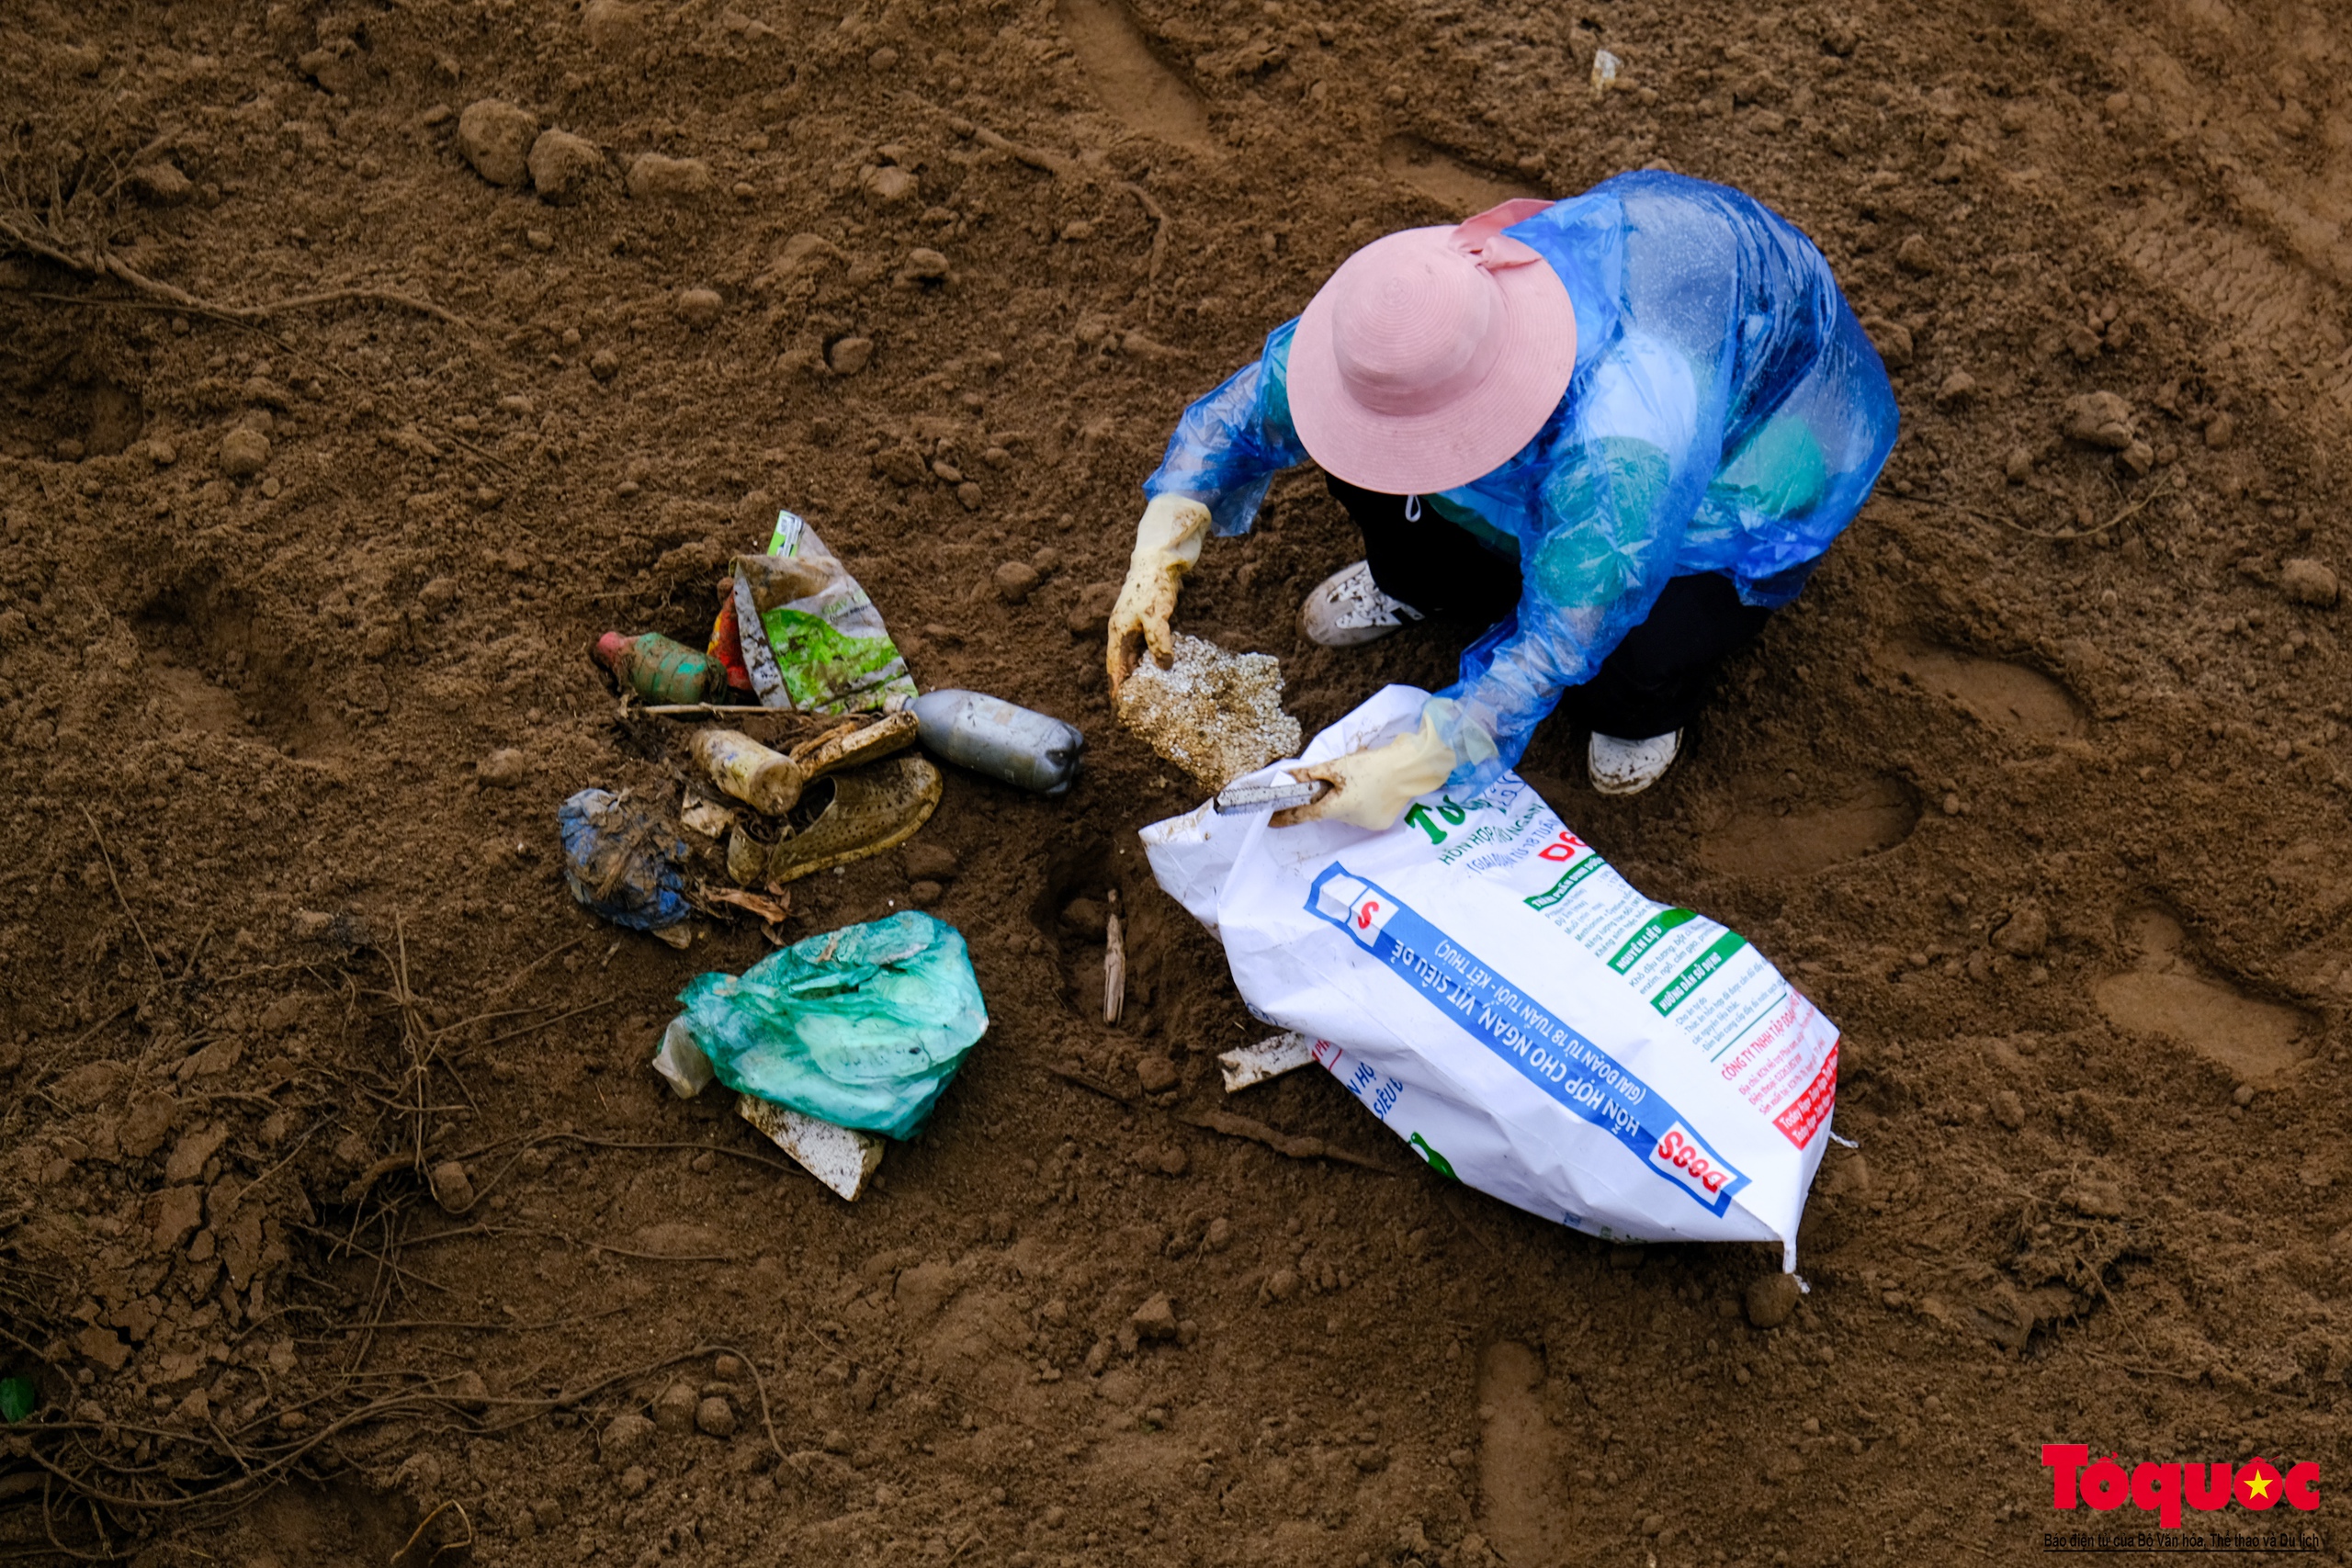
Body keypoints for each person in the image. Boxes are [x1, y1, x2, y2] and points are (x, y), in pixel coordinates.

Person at [1105, 173, 1898, 828]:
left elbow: (1563, 636)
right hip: (1612, 419)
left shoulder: (1621, 439)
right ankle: (1422, 580)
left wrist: (1423, 758)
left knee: (1640, 637)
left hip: (1744, 456)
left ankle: (1642, 712)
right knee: (1370, 469)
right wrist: (1164, 537)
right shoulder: (1413, 316)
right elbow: (1251, 411)